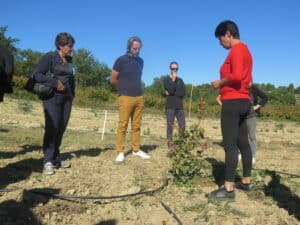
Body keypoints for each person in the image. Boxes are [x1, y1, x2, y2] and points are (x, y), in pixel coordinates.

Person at [210, 20, 253, 200]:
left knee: (230, 145)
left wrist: (220, 83)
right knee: (243, 142)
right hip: (244, 101)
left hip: (233, 102)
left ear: (228, 33)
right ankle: (246, 181)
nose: (220, 43)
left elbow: (235, 76)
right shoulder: (247, 51)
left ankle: (228, 188)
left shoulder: (236, 50)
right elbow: (248, 81)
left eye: (220, 39)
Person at [32, 32, 75, 175]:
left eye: (72, 46)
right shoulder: (49, 57)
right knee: (52, 127)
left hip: (67, 98)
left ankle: (56, 157)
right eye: (69, 46)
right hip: (52, 97)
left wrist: (72, 94)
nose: (72, 48)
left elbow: (71, 77)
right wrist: (54, 82)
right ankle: (48, 161)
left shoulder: (69, 59)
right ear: (60, 46)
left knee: (61, 128)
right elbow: (37, 74)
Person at [110, 36, 150, 162]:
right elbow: (113, 79)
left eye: (139, 48)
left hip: (139, 97)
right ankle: (120, 151)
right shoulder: (121, 60)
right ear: (129, 47)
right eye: (135, 48)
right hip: (125, 97)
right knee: (123, 125)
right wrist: (122, 90)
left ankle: (136, 150)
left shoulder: (141, 61)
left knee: (137, 125)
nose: (137, 51)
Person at [216, 84, 268, 164]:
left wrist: (257, 106)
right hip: (239, 115)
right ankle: (240, 153)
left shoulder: (253, 88)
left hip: (251, 116)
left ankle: (253, 156)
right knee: (240, 136)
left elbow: (265, 97)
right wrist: (226, 107)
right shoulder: (236, 87)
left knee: (252, 136)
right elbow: (218, 98)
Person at [163, 61, 186, 149]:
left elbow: (183, 93)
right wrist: (173, 80)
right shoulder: (166, 80)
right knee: (170, 125)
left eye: (176, 68)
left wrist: (171, 92)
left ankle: (181, 142)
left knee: (182, 125)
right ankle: (170, 142)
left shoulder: (180, 80)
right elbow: (171, 90)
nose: (174, 70)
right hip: (170, 106)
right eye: (173, 68)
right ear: (170, 69)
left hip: (180, 106)